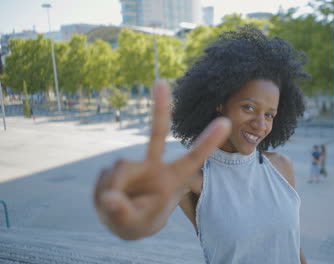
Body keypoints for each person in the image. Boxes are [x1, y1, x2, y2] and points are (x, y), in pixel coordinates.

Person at [94, 26, 309, 263]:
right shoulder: (194, 180)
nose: (260, 124)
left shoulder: (281, 167)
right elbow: (144, 222)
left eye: (269, 114)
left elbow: (292, 246)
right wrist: (125, 217)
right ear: (219, 102)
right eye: (249, 107)